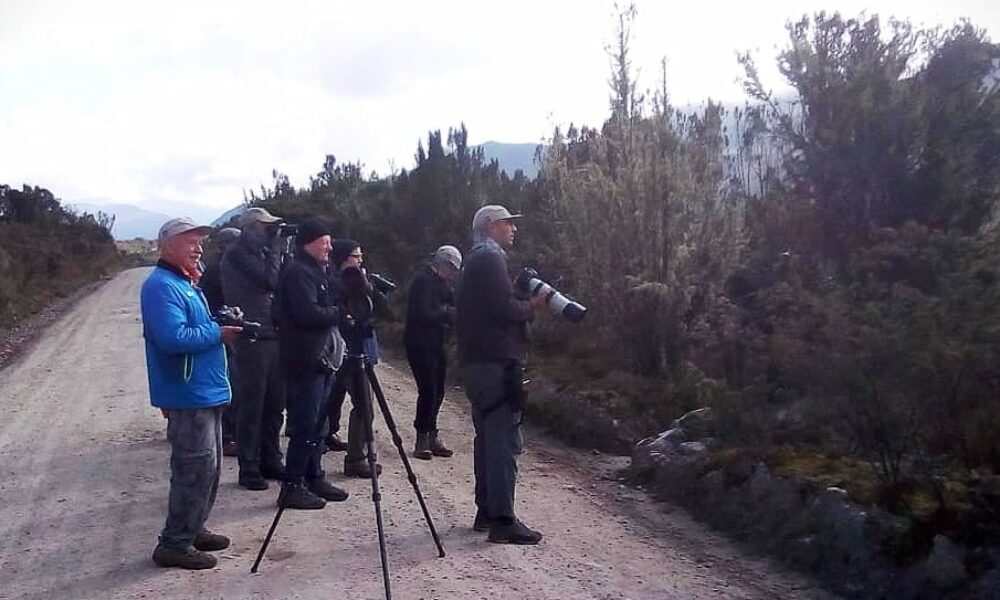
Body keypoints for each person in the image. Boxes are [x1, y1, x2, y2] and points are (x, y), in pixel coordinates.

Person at [141, 217, 241, 569]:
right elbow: (172, 339)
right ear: (166, 246)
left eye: (200, 242)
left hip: (206, 390)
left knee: (210, 468)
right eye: (190, 242)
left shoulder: (186, 282)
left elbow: (196, 327)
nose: (199, 248)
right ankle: (174, 543)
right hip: (186, 393)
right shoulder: (161, 286)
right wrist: (219, 332)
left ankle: (193, 527)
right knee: (193, 468)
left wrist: (220, 321)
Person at [456, 204, 546, 545]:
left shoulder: (475, 260)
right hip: (493, 363)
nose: (514, 229)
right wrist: (532, 306)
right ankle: (503, 520)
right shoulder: (489, 259)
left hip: (477, 362)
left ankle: (487, 510)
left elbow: (493, 304)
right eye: (509, 223)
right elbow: (504, 309)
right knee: (502, 441)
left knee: (487, 437)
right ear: (491, 226)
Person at [273, 219, 349, 509]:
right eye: (324, 241)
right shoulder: (297, 272)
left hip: (320, 359)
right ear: (308, 243)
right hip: (305, 359)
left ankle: (314, 476)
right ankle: (292, 485)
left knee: (320, 422)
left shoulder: (316, 270)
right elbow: (307, 313)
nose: (329, 247)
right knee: (306, 424)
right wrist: (339, 312)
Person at [222, 208, 286, 490]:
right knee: (252, 405)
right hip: (252, 335)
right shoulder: (237, 254)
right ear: (250, 228)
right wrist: (276, 250)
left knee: (275, 403)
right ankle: (249, 468)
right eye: (266, 227)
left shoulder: (260, 252)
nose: (271, 232)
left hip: (272, 334)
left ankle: (270, 458)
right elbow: (268, 281)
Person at [325, 240, 384, 478]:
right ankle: (357, 458)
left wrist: (368, 287)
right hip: (343, 351)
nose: (360, 261)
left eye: (361, 256)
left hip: (361, 348)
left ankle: (336, 443)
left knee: (358, 403)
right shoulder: (333, 284)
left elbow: (380, 310)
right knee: (364, 405)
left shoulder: (360, 282)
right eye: (355, 256)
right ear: (342, 258)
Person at [404, 245, 462, 460]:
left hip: (436, 343)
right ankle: (422, 437)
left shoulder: (443, 284)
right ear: (443, 264)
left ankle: (432, 433)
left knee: (438, 390)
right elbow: (422, 313)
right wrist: (446, 313)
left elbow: (453, 301)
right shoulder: (423, 282)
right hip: (419, 343)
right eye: (452, 268)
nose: (454, 273)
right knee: (428, 390)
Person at [198, 226, 241, 456]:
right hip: (219, 329)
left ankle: (229, 433)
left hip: (222, 327)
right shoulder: (219, 270)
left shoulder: (219, 267)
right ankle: (227, 436)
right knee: (230, 380)